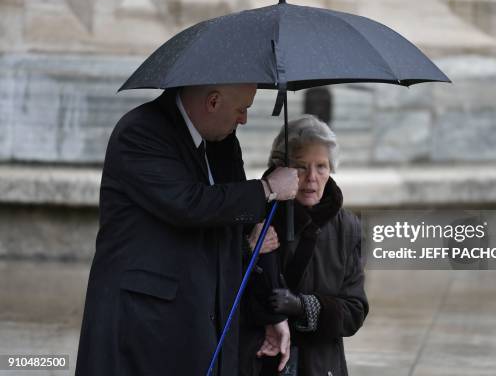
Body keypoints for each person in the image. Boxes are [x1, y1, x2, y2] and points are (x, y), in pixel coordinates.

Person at [75, 84, 299, 376]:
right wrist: (267, 189)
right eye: (241, 109)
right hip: (144, 326)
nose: (244, 119)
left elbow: (232, 226)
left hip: (203, 323)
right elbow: (187, 204)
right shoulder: (141, 131)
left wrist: (271, 315)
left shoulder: (222, 140)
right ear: (213, 101)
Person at [241, 114, 369, 376]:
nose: (311, 177)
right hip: (261, 360)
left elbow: (355, 310)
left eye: (321, 166)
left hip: (321, 365)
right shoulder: (253, 217)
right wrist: (246, 251)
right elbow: (221, 295)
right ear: (281, 168)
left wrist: (303, 306)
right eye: (300, 166)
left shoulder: (347, 227)